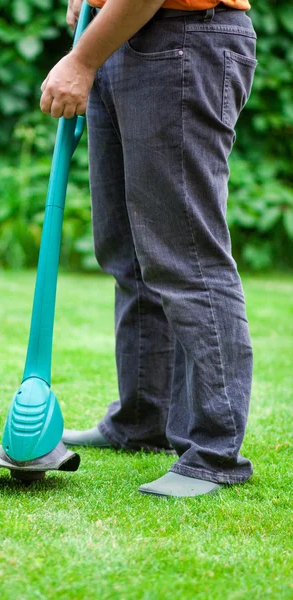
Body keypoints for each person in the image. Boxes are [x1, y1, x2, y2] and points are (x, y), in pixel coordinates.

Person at [40, 0, 258, 497]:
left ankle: (213, 452)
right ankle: (141, 420)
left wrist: (82, 60)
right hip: (122, 38)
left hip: (183, 38)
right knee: (129, 255)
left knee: (186, 256)